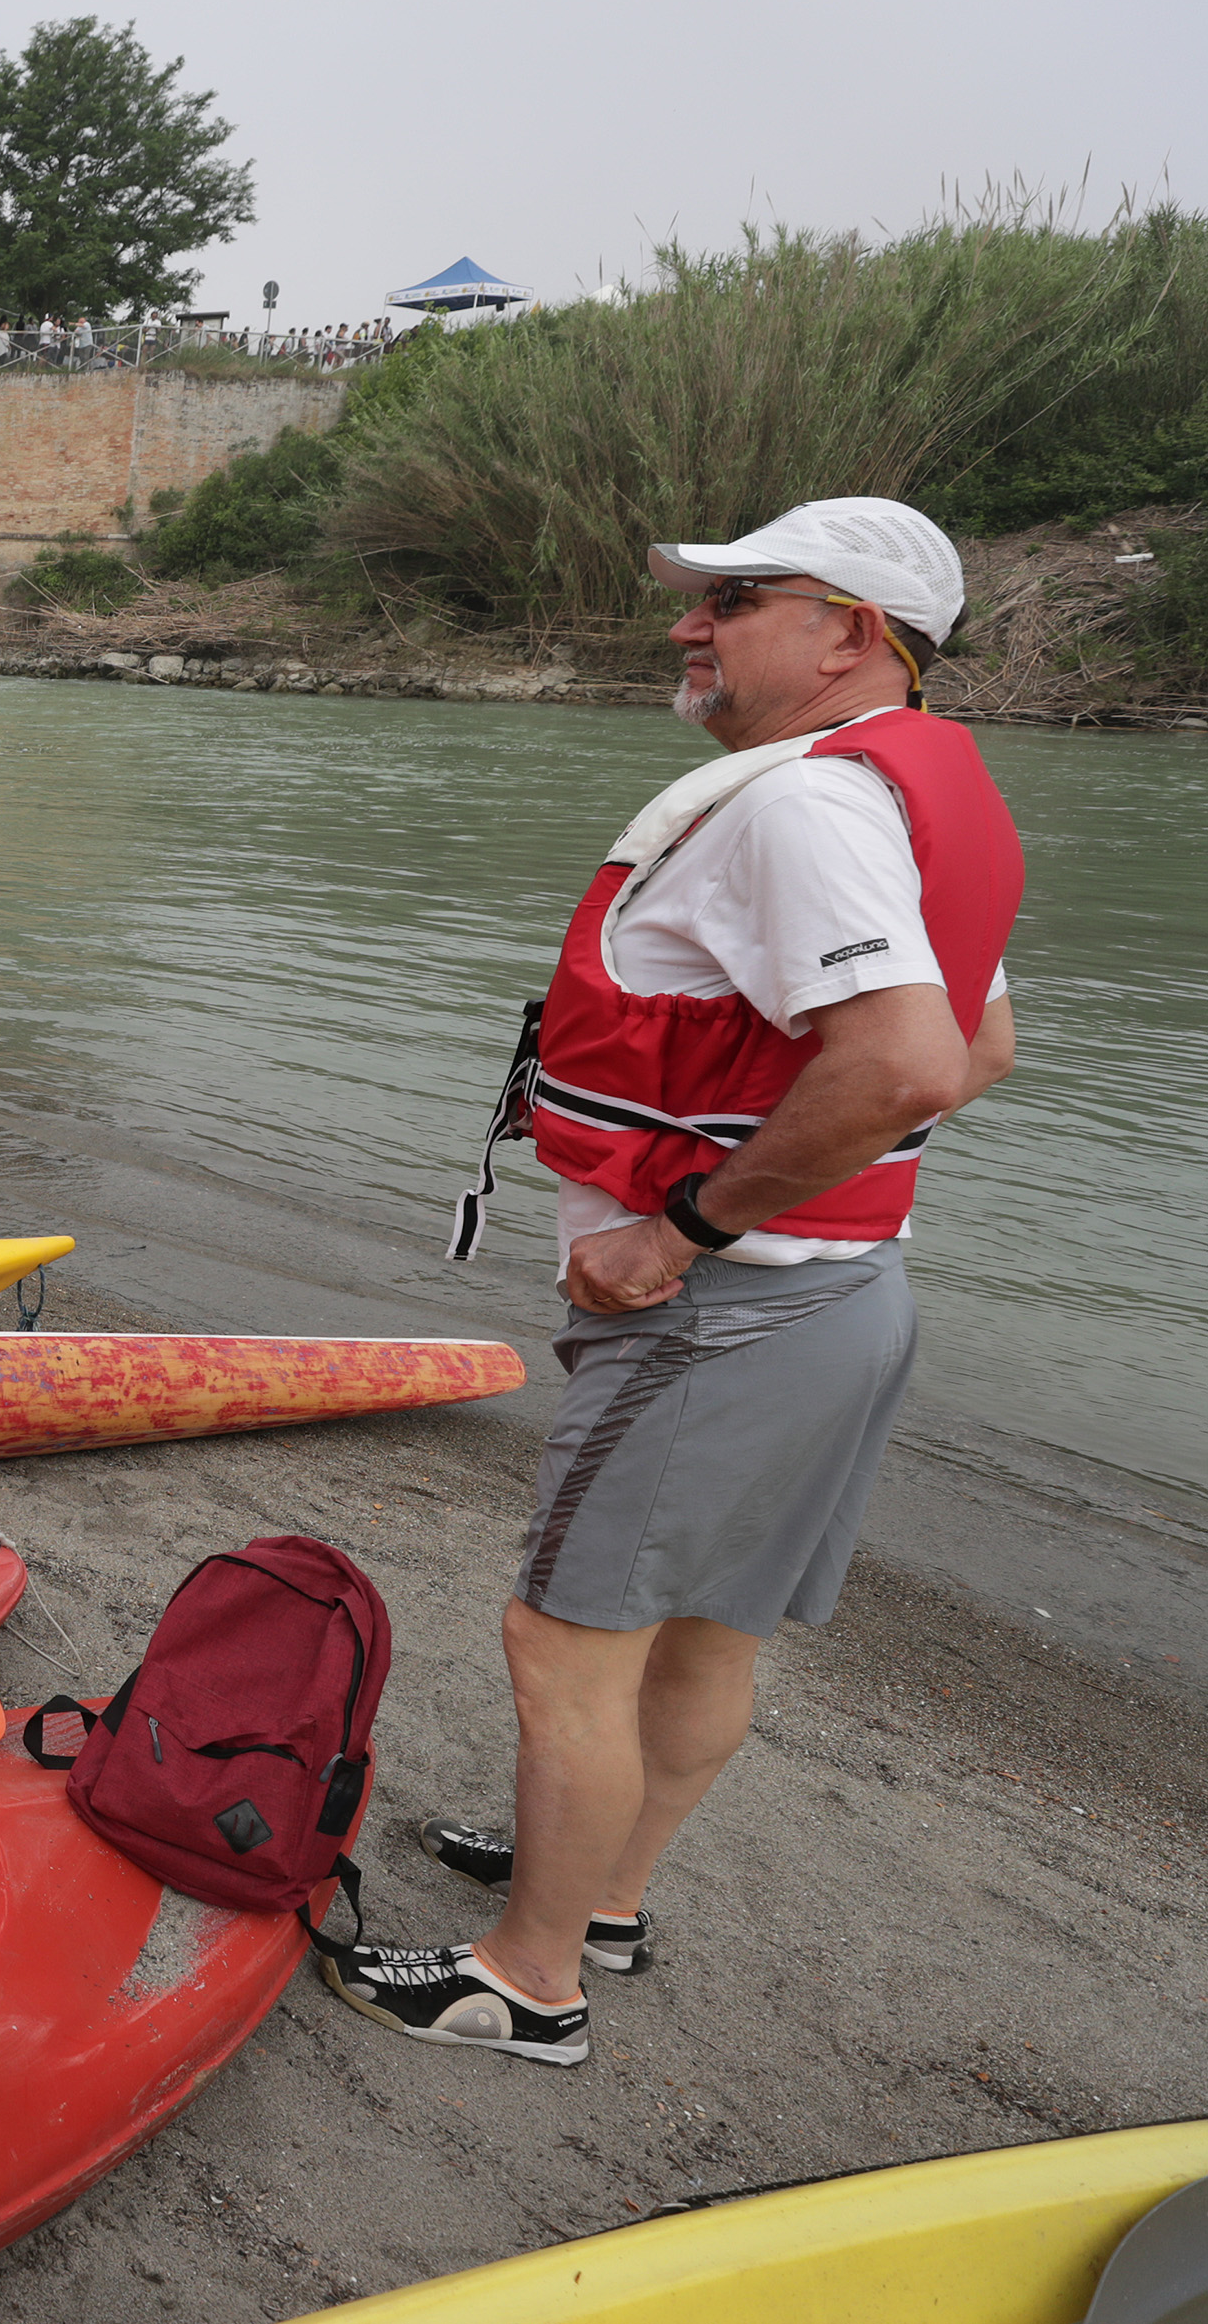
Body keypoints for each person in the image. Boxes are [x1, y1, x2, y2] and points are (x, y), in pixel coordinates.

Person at [330, 498, 1023, 2068]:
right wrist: (811, 1195)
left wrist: (683, 1229)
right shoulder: (934, 788)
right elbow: (980, 1048)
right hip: (845, 1292)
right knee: (708, 1627)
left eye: (732, 597)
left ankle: (527, 1978)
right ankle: (604, 1897)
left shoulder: (801, 811)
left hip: (725, 1312)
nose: (685, 624)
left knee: (558, 1638)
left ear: (847, 630)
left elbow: (906, 1060)